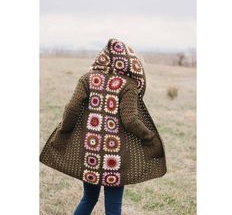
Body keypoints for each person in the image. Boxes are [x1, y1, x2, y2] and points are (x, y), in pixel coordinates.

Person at [40, 38, 167, 215]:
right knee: (113, 208)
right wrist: (149, 137)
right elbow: (130, 120)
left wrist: (64, 131)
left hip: (90, 152)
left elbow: (71, 109)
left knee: (88, 199)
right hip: (114, 158)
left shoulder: (88, 79)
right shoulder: (128, 85)